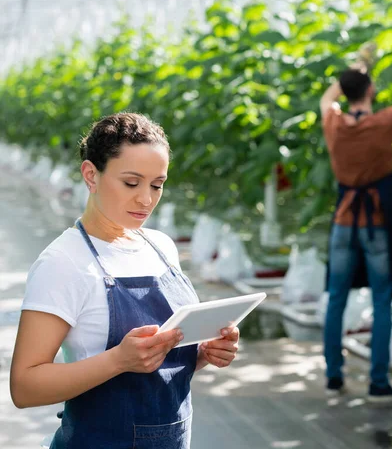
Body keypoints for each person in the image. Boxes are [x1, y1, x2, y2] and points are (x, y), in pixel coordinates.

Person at [10, 113, 240, 448]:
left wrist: (203, 352)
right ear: (91, 175)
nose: (146, 199)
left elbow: (161, 368)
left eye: (157, 185)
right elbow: (24, 387)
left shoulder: (160, 247)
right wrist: (118, 360)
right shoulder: (63, 263)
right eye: (131, 183)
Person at [320, 67, 392, 403]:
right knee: (382, 299)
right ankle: (378, 380)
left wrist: (350, 77)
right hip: (376, 221)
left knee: (337, 298)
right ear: (370, 90)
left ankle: (334, 375)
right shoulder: (384, 122)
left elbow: (327, 98)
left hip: (344, 220)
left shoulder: (335, 122)